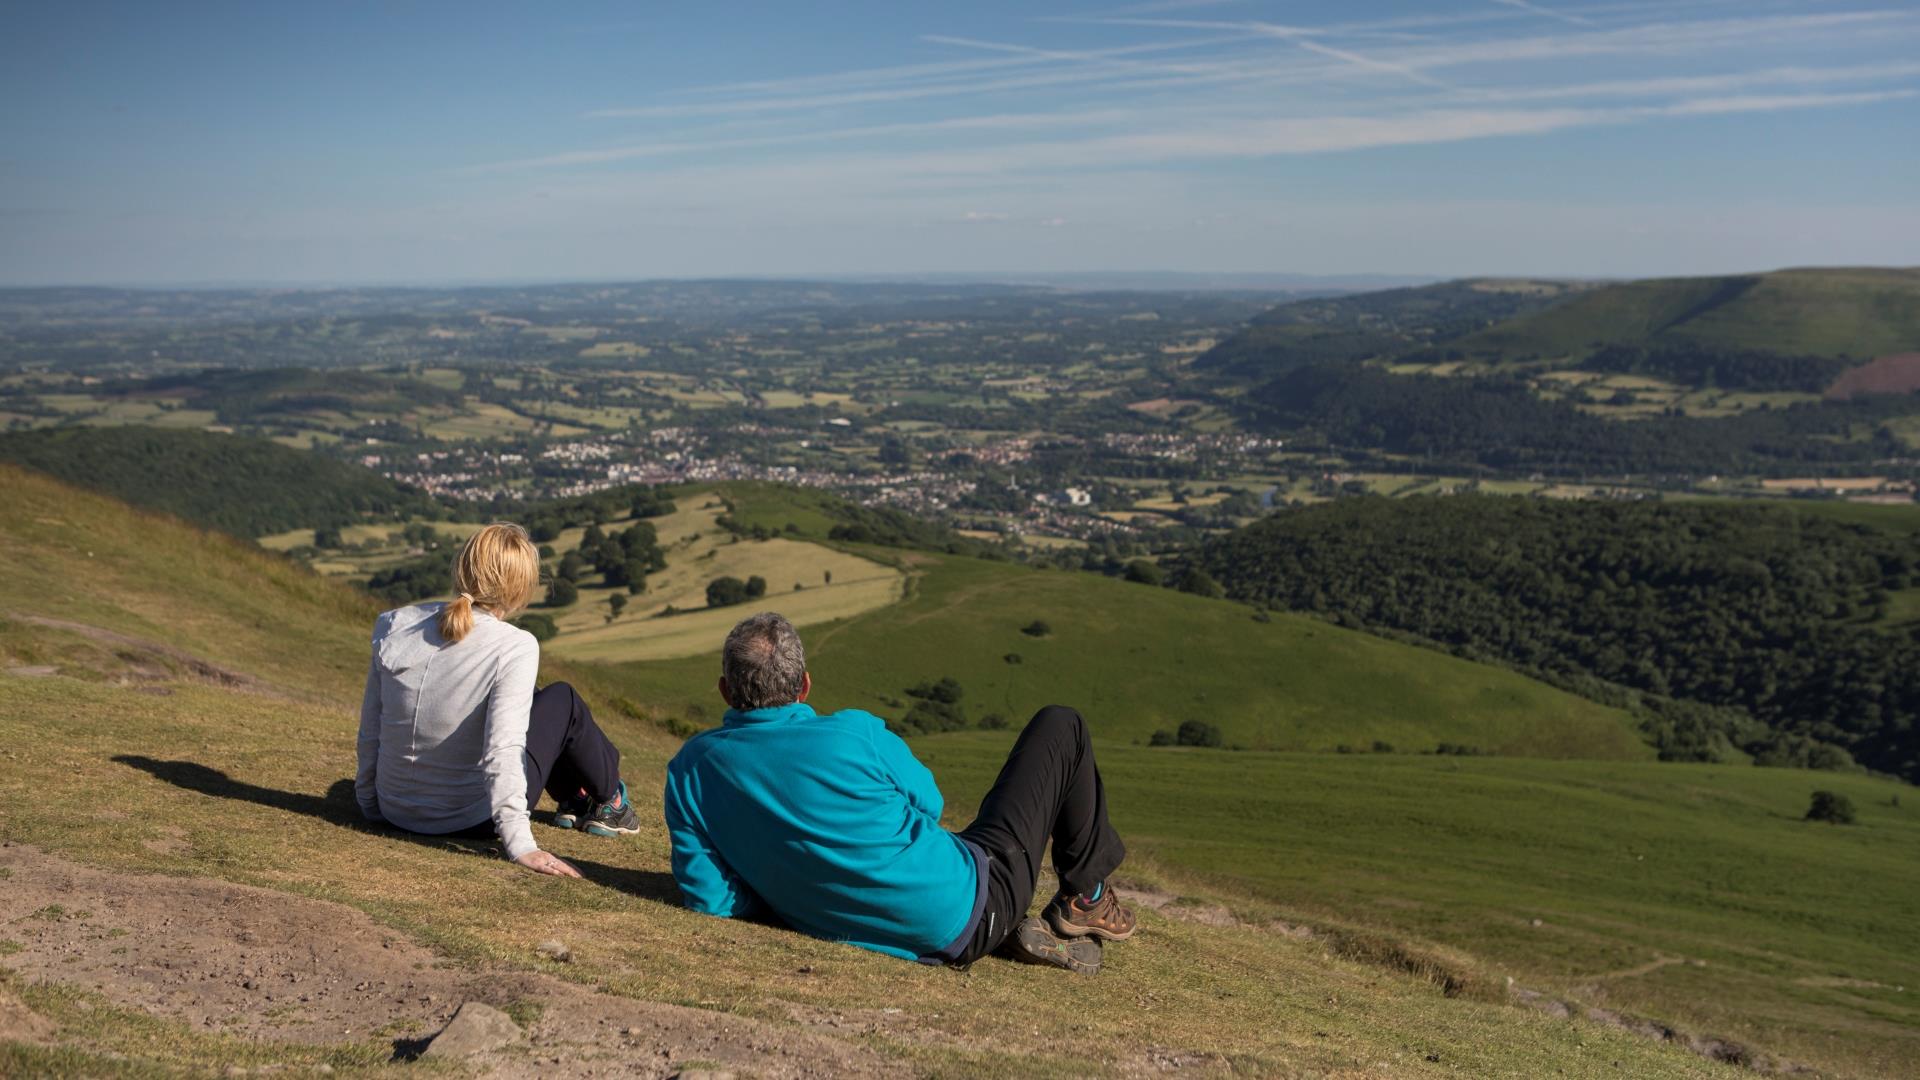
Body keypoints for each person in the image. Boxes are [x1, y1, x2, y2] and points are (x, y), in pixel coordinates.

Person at [663, 612, 1136, 973]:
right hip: (972, 901)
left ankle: (1007, 923)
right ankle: (1088, 897)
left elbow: (710, 899)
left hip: (898, 925)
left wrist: (787, 887)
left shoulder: (689, 769)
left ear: (725, 691)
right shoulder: (855, 734)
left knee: (980, 840)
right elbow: (930, 805)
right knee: (1061, 724)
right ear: (804, 685)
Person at [355, 522, 639, 878]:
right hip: (474, 819)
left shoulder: (394, 624)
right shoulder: (514, 646)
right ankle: (610, 799)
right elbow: (502, 748)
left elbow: (372, 729)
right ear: (519, 588)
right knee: (562, 699)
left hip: (395, 809)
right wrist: (521, 844)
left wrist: (371, 803)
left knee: (533, 699)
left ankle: (575, 798)